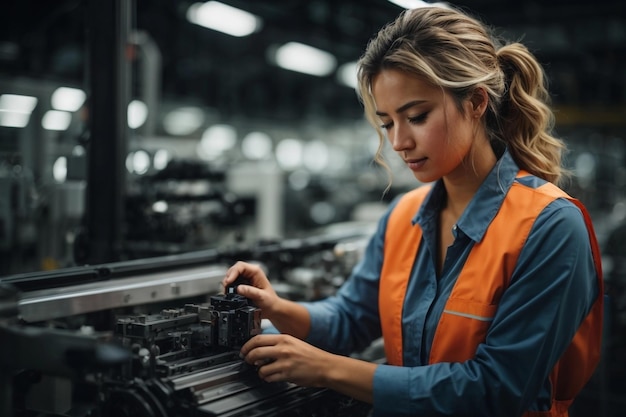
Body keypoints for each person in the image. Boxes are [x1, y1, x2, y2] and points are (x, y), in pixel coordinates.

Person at [223, 5, 604, 417]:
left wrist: (328, 370)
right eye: (387, 123)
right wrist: (277, 308)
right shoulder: (404, 216)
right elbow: (352, 317)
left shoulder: (550, 226)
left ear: (475, 103)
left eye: (416, 117)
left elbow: (497, 388)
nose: (399, 141)